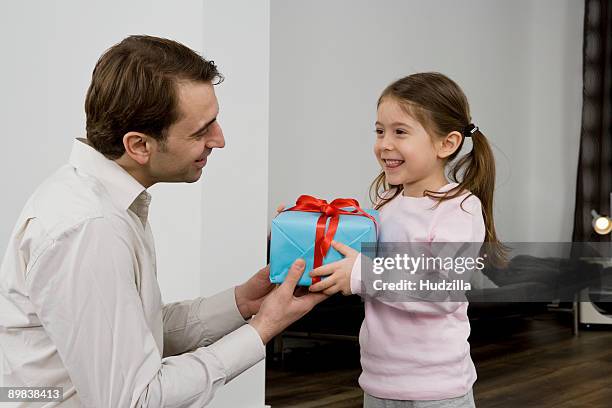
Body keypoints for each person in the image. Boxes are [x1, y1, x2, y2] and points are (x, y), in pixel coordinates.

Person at [0, 35, 326, 407]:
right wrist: (262, 329)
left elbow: (135, 335)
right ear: (139, 145)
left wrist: (242, 302)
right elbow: (136, 400)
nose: (219, 140)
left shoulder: (106, 202)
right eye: (202, 130)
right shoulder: (90, 228)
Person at [309, 72, 506, 408]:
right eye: (380, 131)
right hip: (378, 380)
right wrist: (303, 231)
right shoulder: (386, 204)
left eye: (400, 132)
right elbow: (361, 264)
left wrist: (362, 274)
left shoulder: (459, 209)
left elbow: (441, 291)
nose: (385, 143)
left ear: (447, 143)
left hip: (436, 388)